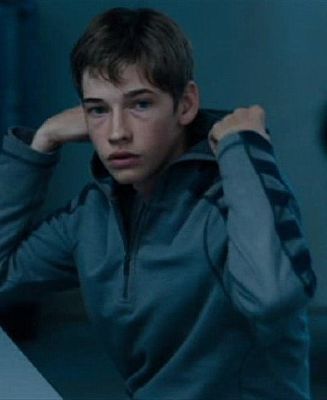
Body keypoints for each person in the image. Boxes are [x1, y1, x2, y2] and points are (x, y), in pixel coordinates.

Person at [0, 7, 316, 400]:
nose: (116, 132)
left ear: (185, 105)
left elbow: (274, 298)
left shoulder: (227, 200)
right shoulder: (93, 215)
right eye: (98, 109)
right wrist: (40, 143)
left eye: (140, 104)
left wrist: (242, 148)